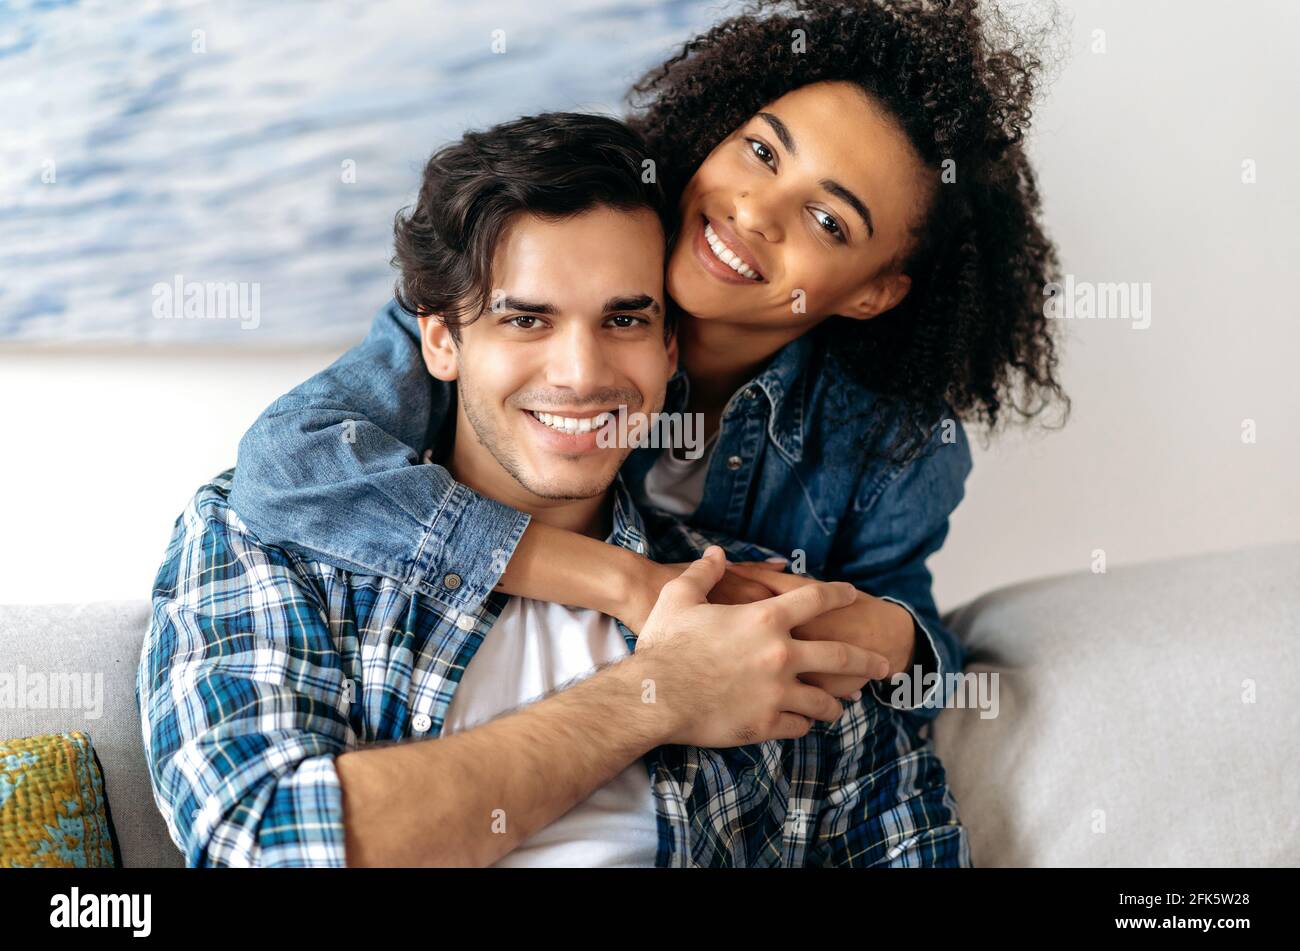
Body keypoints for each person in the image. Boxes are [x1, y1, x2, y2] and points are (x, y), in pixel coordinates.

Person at [138, 112, 968, 868]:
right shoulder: (277, 537)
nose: (581, 374)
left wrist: (882, 632)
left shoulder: (753, 607)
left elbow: (906, 810)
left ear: (669, 347)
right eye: (526, 319)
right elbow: (262, 842)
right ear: (439, 337)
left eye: (625, 320)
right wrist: (660, 693)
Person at [227, 0, 1067, 727]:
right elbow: (287, 466)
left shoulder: (894, 449)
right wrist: (631, 582)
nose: (753, 210)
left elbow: (916, 652)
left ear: (873, 292)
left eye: (827, 220)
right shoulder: (528, 274)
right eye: (763, 153)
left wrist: (883, 634)